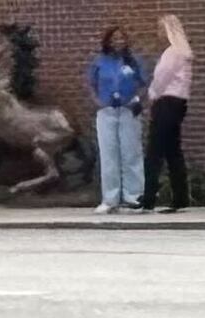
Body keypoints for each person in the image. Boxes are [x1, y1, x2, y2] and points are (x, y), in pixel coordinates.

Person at [91, 27, 150, 210]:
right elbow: (91, 85)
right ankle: (110, 199)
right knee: (109, 155)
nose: (118, 41)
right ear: (108, 41)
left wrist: (136, 99)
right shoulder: (100, 62)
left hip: (128, 111)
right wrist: (98, 102)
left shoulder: (133, 62)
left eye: (122, 38)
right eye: (114, 38)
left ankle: (134, 196)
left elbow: (144, 84)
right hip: (107, 112)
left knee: (131, 153)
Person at [147, 14, 198, 211]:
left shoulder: (172, 53)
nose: (158, 33)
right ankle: (180, 197)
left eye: (161, 29)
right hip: (179, 103)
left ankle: (148, 197)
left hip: (166, 102)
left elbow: (161, 77)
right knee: (173, 151)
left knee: (154, 151)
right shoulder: (184, 52)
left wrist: (152, 94)